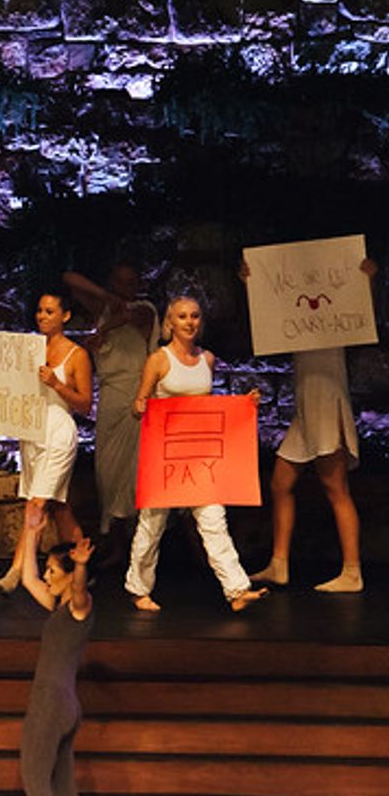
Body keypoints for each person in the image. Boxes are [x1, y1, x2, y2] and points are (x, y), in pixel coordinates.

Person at [125, 296, 267, 612]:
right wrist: (140, 406)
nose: (189, 322)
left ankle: (237, 590)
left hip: (200, 457)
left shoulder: (208, 360)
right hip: (166, 457)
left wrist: (245, 405)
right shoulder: (158, 360)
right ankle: (137, 588)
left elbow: (208, 407)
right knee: (152, 525)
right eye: (182, 316)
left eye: (195, 316)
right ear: (170, 323)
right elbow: (139, 404)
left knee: (214, 520)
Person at [245, 257, 376, 593]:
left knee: (336, 489)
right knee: (279, 483)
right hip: (306, 410)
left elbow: (361, 313)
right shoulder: (297, 322)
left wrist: (366, 283)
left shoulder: (338, 322)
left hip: (326, 404)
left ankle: (352, 571)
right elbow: (272, 309)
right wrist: (252, 282)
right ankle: (279, 564)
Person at [0, 290, 94, 594]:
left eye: (50, 311)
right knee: (57, 506)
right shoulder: (29, 350)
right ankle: (84, 566)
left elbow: (85, 404)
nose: (42, 316)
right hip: (32, 430)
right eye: (39, 311)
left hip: (58, 432)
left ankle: (16, 572)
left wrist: (57, 384)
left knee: (36, 504)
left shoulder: (77, 355)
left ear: (66, 316)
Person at [17, 526, 97, 796]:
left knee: (35, 780)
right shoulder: (58, 609)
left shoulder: (80, 608)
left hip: (50, 703)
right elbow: (28, 580)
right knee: (64, 792)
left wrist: (79, 565)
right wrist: (32, 531)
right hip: (63, 705)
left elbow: (79, 592)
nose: (47, 576)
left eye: (52, 570)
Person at [63, 264, 158, 536]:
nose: (125, 289)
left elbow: (128, 317)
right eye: (119, 282)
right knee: (107, 466)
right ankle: (111, 529)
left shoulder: (146, 309)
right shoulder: (104, 308)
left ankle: (131, 533)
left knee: (133, 467)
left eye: (130, 283)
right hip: (110, 395)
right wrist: (106, 298)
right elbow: (70, 278)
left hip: (135, 392)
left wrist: (102, 331)